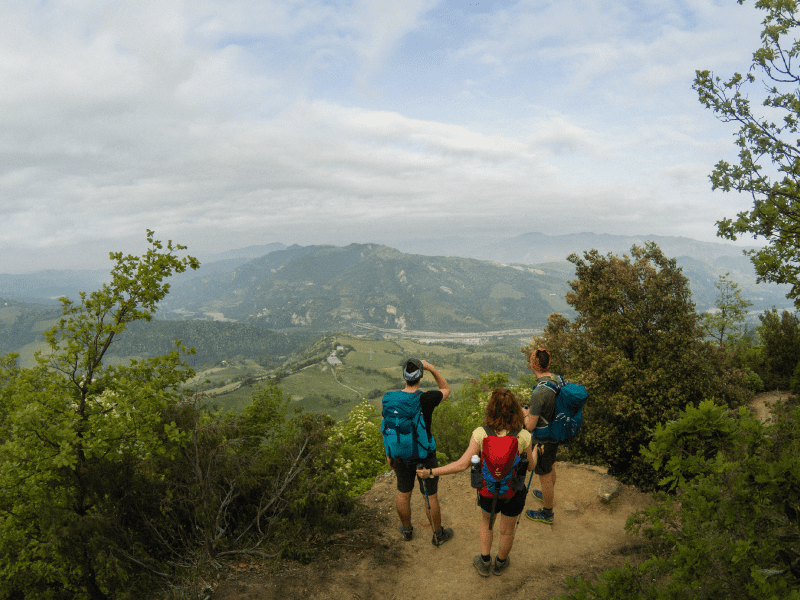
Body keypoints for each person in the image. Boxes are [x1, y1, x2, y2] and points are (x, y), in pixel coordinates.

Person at [417, 388, 537, 577]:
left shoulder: (481, 434)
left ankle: (484, 562)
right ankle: (500, 564)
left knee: (487, 523)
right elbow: (530, 467)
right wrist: (535, 452)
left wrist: (430, 472)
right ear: (515, 410)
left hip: (487, 491)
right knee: (507, 531)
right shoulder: (523, 436)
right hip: (513, 492)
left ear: (490, 409)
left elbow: (461, 465)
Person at [384, 358, 454, 546]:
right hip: (425, 456)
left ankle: (407, 531)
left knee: (403, 494)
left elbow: (388, 428)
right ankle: (438, 535)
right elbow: (446, 389)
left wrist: (389, 454)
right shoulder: (426, 399)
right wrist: (431, 368)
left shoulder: (389, 399)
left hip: (400, 455)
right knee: (430, 497)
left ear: (404, 376)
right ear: (420, 376)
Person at [522, 347, 559, 525]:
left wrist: (524, 414)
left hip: (543, 439)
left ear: (533, 365)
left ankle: (547, 513)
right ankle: (547, 494)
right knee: (550, 466)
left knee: (544, 476)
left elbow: (530, 425)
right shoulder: (556, 379)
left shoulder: (539, 392)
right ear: (548, 363)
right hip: (556, 432)